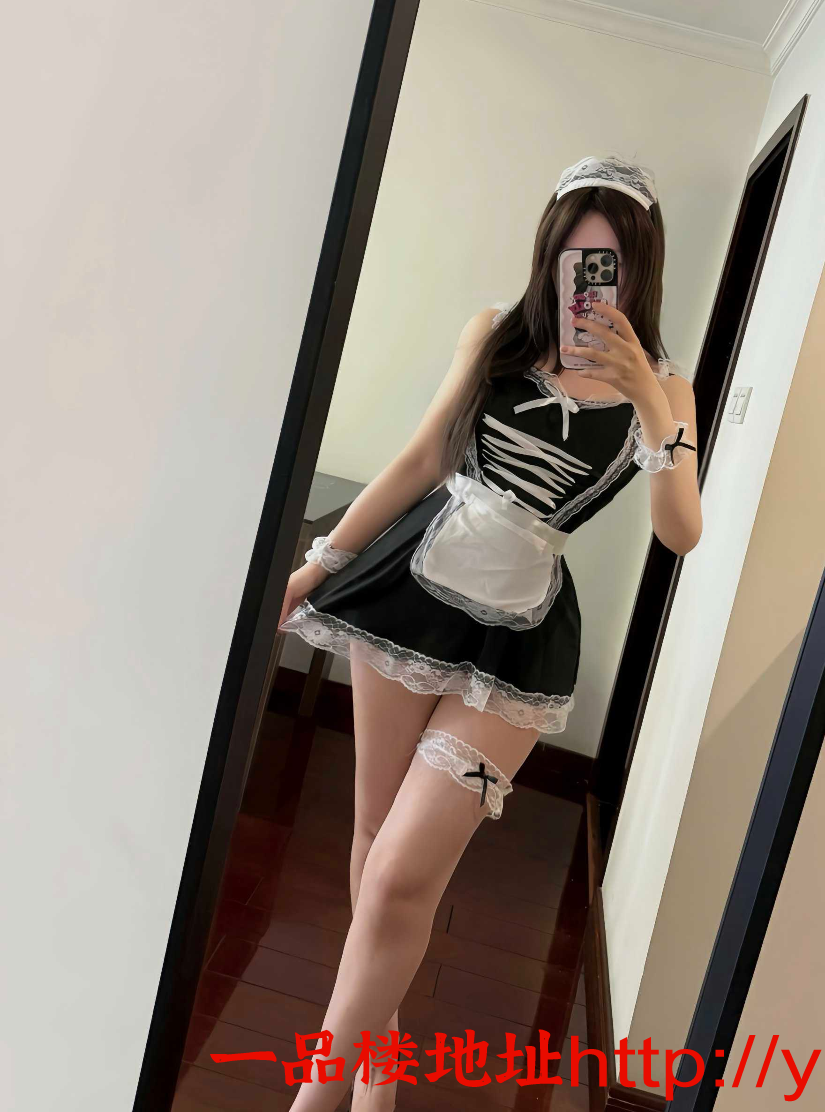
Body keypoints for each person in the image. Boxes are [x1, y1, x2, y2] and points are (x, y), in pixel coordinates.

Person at [278, 156, 702, 1107]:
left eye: (608, 264)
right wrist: (317, 564)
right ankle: (377, 1067)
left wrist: (646, 398)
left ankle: (315, 1096)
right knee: (373, 840)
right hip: (413, 589)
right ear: (548, 254)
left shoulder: (670, 388)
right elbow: (424, 456)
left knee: (402, 871)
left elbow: (681, 530)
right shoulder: (495, 331)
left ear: (641, 267)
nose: (587, 282)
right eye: (572, 258)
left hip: (521, 637)